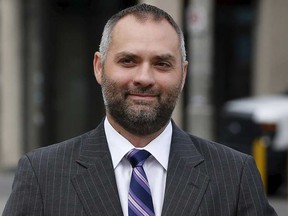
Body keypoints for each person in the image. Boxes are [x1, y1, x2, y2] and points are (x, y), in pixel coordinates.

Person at [3, 3, 277, 216]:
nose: (144, 78)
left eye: (162, 64)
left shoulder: (235, 175)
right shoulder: (42, 174)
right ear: (99, 67)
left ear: (183, 74)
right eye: (128, 61)